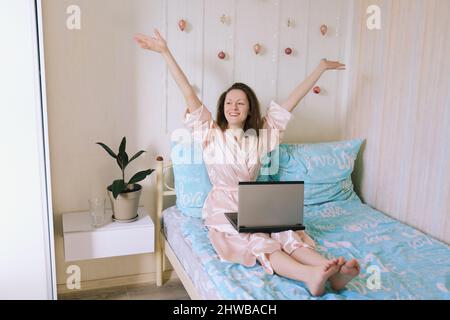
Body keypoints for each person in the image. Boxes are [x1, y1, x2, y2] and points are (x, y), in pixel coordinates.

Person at [134, 29, 360, 296]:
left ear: (249, 108)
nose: (233, 107)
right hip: (222, 206)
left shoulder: (261, 138)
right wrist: (164, 51)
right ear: (223, 107)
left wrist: (320, 68)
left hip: (255, 201)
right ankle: (310, 275)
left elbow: (289, 104)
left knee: (286, 231)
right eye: (229, 102)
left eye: (240, 103)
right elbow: (188, 94)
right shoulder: (210, 134)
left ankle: (329, 269)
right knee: (256, 240)